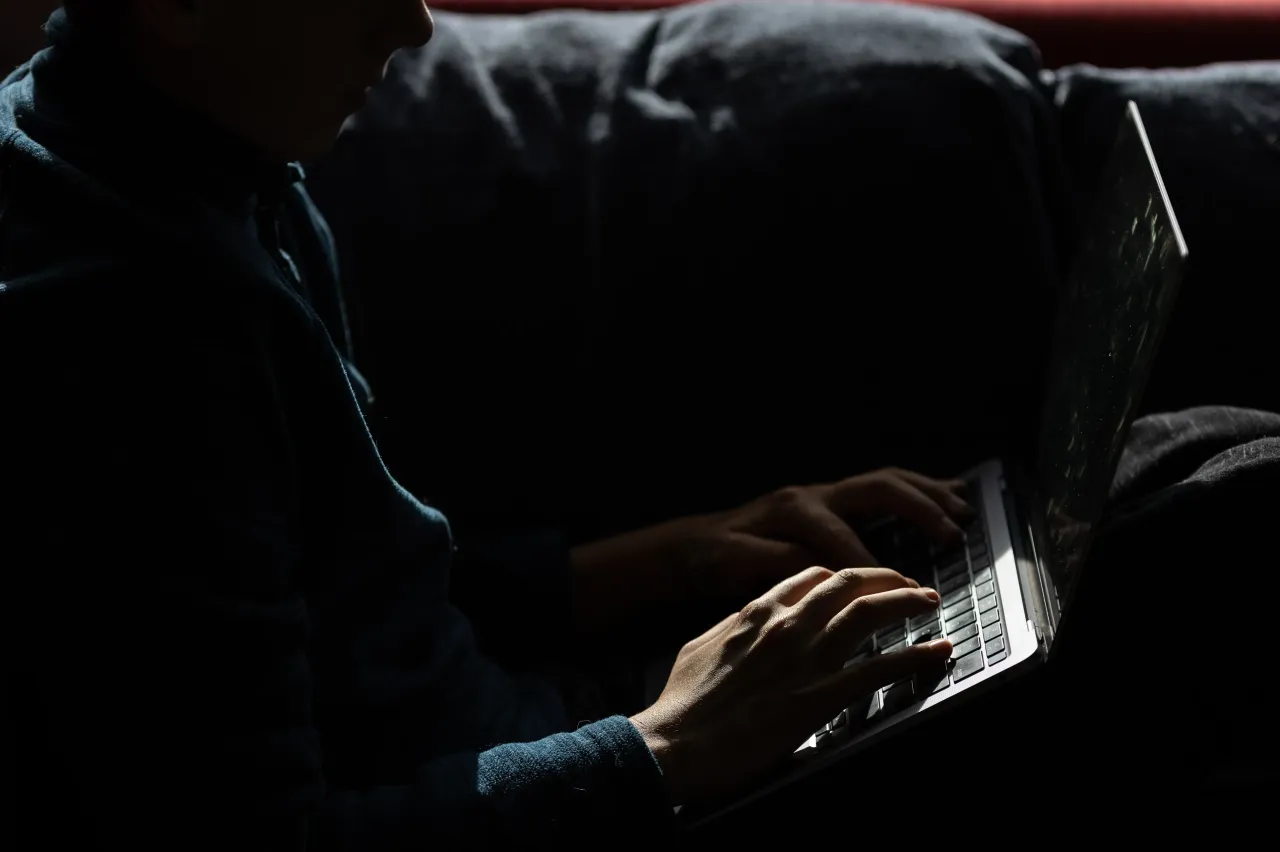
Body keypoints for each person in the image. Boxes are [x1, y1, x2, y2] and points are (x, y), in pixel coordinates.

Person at [3, 4, 1277, 848]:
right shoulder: (107, 320)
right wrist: (665, 749)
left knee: (1178, 460)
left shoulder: (209, 171)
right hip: (592, 803)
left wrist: (688, 549)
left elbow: (357, 603)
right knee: (1224, 521)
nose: (409, 23)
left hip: (559, 741)